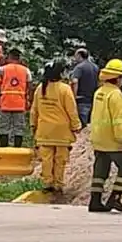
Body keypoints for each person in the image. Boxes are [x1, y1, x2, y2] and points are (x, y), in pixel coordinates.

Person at [31, 59, 82, 196]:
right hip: (61, 132)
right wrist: (76, 126)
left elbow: (34, 110)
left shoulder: (40, 89)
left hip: (44, 131)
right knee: (60, 160)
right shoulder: (65, 89)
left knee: (46, 159)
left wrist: (33, 125)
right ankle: (58, 184)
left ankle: (47, 183)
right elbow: (71, 110)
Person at [89, 58, 122, 214]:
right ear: (119, 78)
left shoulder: (99, 92)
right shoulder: (115, 95)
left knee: (101, 169)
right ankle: (115, 197)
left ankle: (95, 200)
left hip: (98, 138)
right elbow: (118, 120)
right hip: (113, 140)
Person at [0, 48, 32, 148]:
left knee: (4, 126)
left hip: (6, 103)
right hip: (19, 103)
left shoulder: (3, 69)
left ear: (9, 57)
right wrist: (29, 100)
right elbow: (30, 85)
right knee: (19, 127)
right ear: (19, 58)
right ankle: (17, 149)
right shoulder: (26, 70)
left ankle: (3, 149)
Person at [70, 47, 99, 126]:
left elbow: (75, 82)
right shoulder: (95, 67)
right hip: (93, 99)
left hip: (81, 100)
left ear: (79, 55)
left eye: (76, 56)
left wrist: (73, 97)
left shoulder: (79, 67)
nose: (75, 58)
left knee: (82, 126)